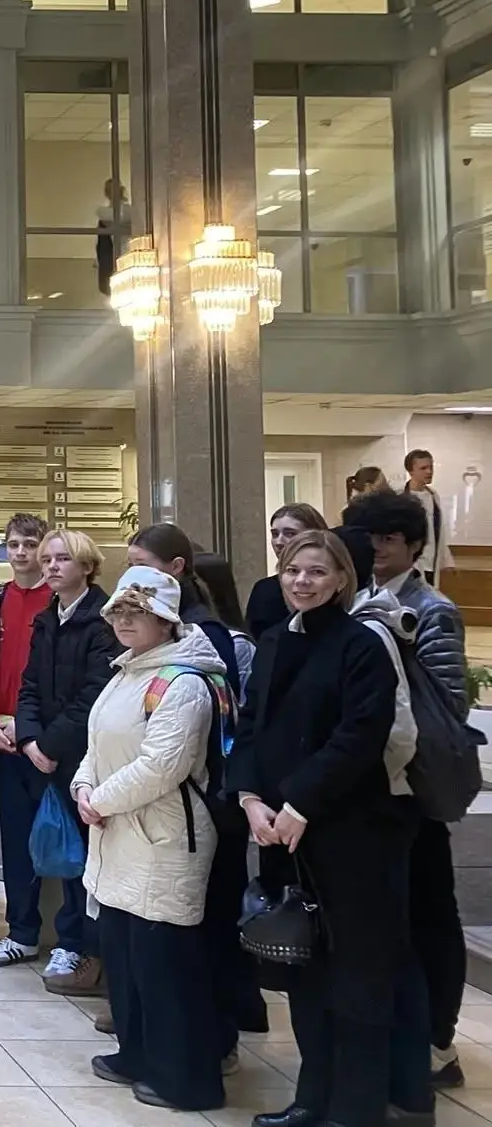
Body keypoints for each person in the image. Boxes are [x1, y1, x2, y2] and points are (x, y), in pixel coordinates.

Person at [229, 530, 413, 1127]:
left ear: (340, 580)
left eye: (315, 571)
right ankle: (312, 1098)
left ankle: (356, 1108)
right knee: (304, 971)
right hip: (280, 833)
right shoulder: (276, 640)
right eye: (292, 570)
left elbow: (360, 734)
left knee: (355, 975)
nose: (302, 581)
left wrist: (300, 803)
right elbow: (251, 726)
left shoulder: (362, 644)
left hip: (348, 832)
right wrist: (251, 798)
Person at [72, 564, 228, 1113]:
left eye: (138, 613)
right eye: (119, 611)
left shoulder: (184, 681)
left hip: (163, 837)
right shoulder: (126, 673)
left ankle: (185, 1078)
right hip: (118, 834)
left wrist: (99, 800)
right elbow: (98, 744)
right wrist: (83, 785)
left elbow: (163, 765)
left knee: (167, 967)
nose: (125, 622)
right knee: (128, 959)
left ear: (166, 620)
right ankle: (136, 1053)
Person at [340, 489, 472, 1088]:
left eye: (390, 539)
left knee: (430, 911)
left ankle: (439, 1038)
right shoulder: (359, 598)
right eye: (370, 538)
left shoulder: (431, 608)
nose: (378, 548)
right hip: (373, 785)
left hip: (415, 783)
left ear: (415, 544)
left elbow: (447, 703)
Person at [127, 523, 263, 1043]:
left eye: (143, 566)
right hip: (168, 800)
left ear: (175, 569)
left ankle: (215, 1034)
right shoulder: (157, 633)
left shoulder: (203, 637)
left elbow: (210, 729)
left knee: (207, 922)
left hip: (198, 798)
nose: (133, 579)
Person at [0, 529, 116, 991]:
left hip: (80, 759)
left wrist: (47, 746)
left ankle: (76, 944)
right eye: (48, 560)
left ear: (86, 565)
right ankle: (24, 934)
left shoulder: (103, 620)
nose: (51, 566)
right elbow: (28, 686)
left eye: (62, 559)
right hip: (37, 752)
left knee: (78, 857)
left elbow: (93, 696)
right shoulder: (48, 619)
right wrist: (29, 739)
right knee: (37, 844)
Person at [0, 514, 54, 966]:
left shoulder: (57, 601)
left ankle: (72, 942)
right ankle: (21, 932)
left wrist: (30, 730)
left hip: (45, 744)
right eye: (14, 544)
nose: (21, 552)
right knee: (17, 841)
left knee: (62, 839)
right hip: (4, 740)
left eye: (30, 544)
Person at [246, 504, 327, 642]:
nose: (279, 542)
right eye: (275, 534)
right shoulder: (264, 589)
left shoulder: (330, 583)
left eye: (290, 534)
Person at [404, 449, 453, 587]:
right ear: (411, 471)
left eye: (431, 467)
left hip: (431, 561)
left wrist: (447, 560)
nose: (429, 472)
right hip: (411, 563)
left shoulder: (432, 495)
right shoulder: (401, 497)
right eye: (423, 468)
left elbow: (439, 530)